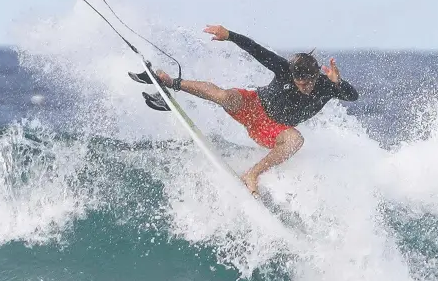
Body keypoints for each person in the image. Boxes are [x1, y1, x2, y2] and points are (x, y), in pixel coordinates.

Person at [131, 25, 359, 195]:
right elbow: (257, 51)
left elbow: (353, 96)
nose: (305, 88)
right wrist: (229, 35)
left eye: (307, 83)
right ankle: (170, 82)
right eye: (300, 83)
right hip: (254, 105)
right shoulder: (284, 69)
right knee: (225, 95)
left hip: (273, 129)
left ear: (315, 76)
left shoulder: (327, 84)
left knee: (295, 140)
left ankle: (252, 173)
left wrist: (338, 83)